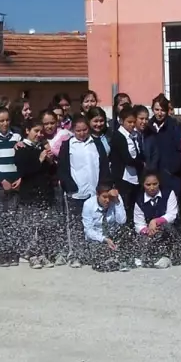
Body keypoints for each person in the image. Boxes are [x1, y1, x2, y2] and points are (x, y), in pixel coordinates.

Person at [58, 115, 108, 268]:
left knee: (94, 223)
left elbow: (104, 166)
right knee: (75, 225)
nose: (81, 133)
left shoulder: (97, 143)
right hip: (76, 193)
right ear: (73, 130)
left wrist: (104, 186)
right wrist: (69, 186)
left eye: (84, 130)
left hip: (94, 192)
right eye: (78, 130)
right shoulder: (67, 145)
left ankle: (93, 253)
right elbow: (63, 168)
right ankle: (76, 255)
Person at [15, 119, 57, 268]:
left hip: (44, 191)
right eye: (36, 131)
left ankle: (43, 253)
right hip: (29, 193)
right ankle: (31, 254)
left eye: (41, 132)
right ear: (27, 131)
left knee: (43, 225)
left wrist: (51, 161)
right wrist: (39, 160)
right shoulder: (21, 148)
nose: (39, 134)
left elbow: (51, 172)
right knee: (30, 225)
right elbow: (24, 171)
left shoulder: (41, 148)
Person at [0, 107, 22, 266]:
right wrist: (2, 180)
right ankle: (1, 254)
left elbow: (22, 160)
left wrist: (20, 178)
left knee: (13, 220)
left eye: (7, 120)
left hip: (16, 184)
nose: (5, 123)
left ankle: (13, 252)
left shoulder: (17, 137)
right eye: (1, 120)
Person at [132, 170, 181, 268]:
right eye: (148, 184)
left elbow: (172, 214)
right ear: (143, 185)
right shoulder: (139, 200)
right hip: (150, 232)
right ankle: (150, 257)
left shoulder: (168, 193)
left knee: (167, 228)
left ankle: (168, 256)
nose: (152, 187)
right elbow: (138, 223)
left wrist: (156, 221)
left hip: (167, 229)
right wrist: (147, 231)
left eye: (155, 184)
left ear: (159, 183)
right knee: (140, 238)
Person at [81, 181, 128, 272]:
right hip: (97, 238)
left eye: (109, 197)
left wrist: (117, 202)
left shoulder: (116, 199)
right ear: (97, 195)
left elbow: (122, 221)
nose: (107, 200)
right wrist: (105, 239)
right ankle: (109, 260)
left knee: (126, 234)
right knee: (99, 256)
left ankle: (117, 258)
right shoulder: (88, 205)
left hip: (113, 235)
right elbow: (88, 231)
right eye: (104, 197)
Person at [109, 106, 144, 225]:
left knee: (135, 207)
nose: (132, 125)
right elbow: (127, 159)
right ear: (121, 121)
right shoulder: (118, 136)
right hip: (124, 177)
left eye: (134, 122)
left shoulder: (134, 134)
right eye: (129, 122)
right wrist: (141, 163)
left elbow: (138, 152)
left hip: (135, 176)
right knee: (125, 207)